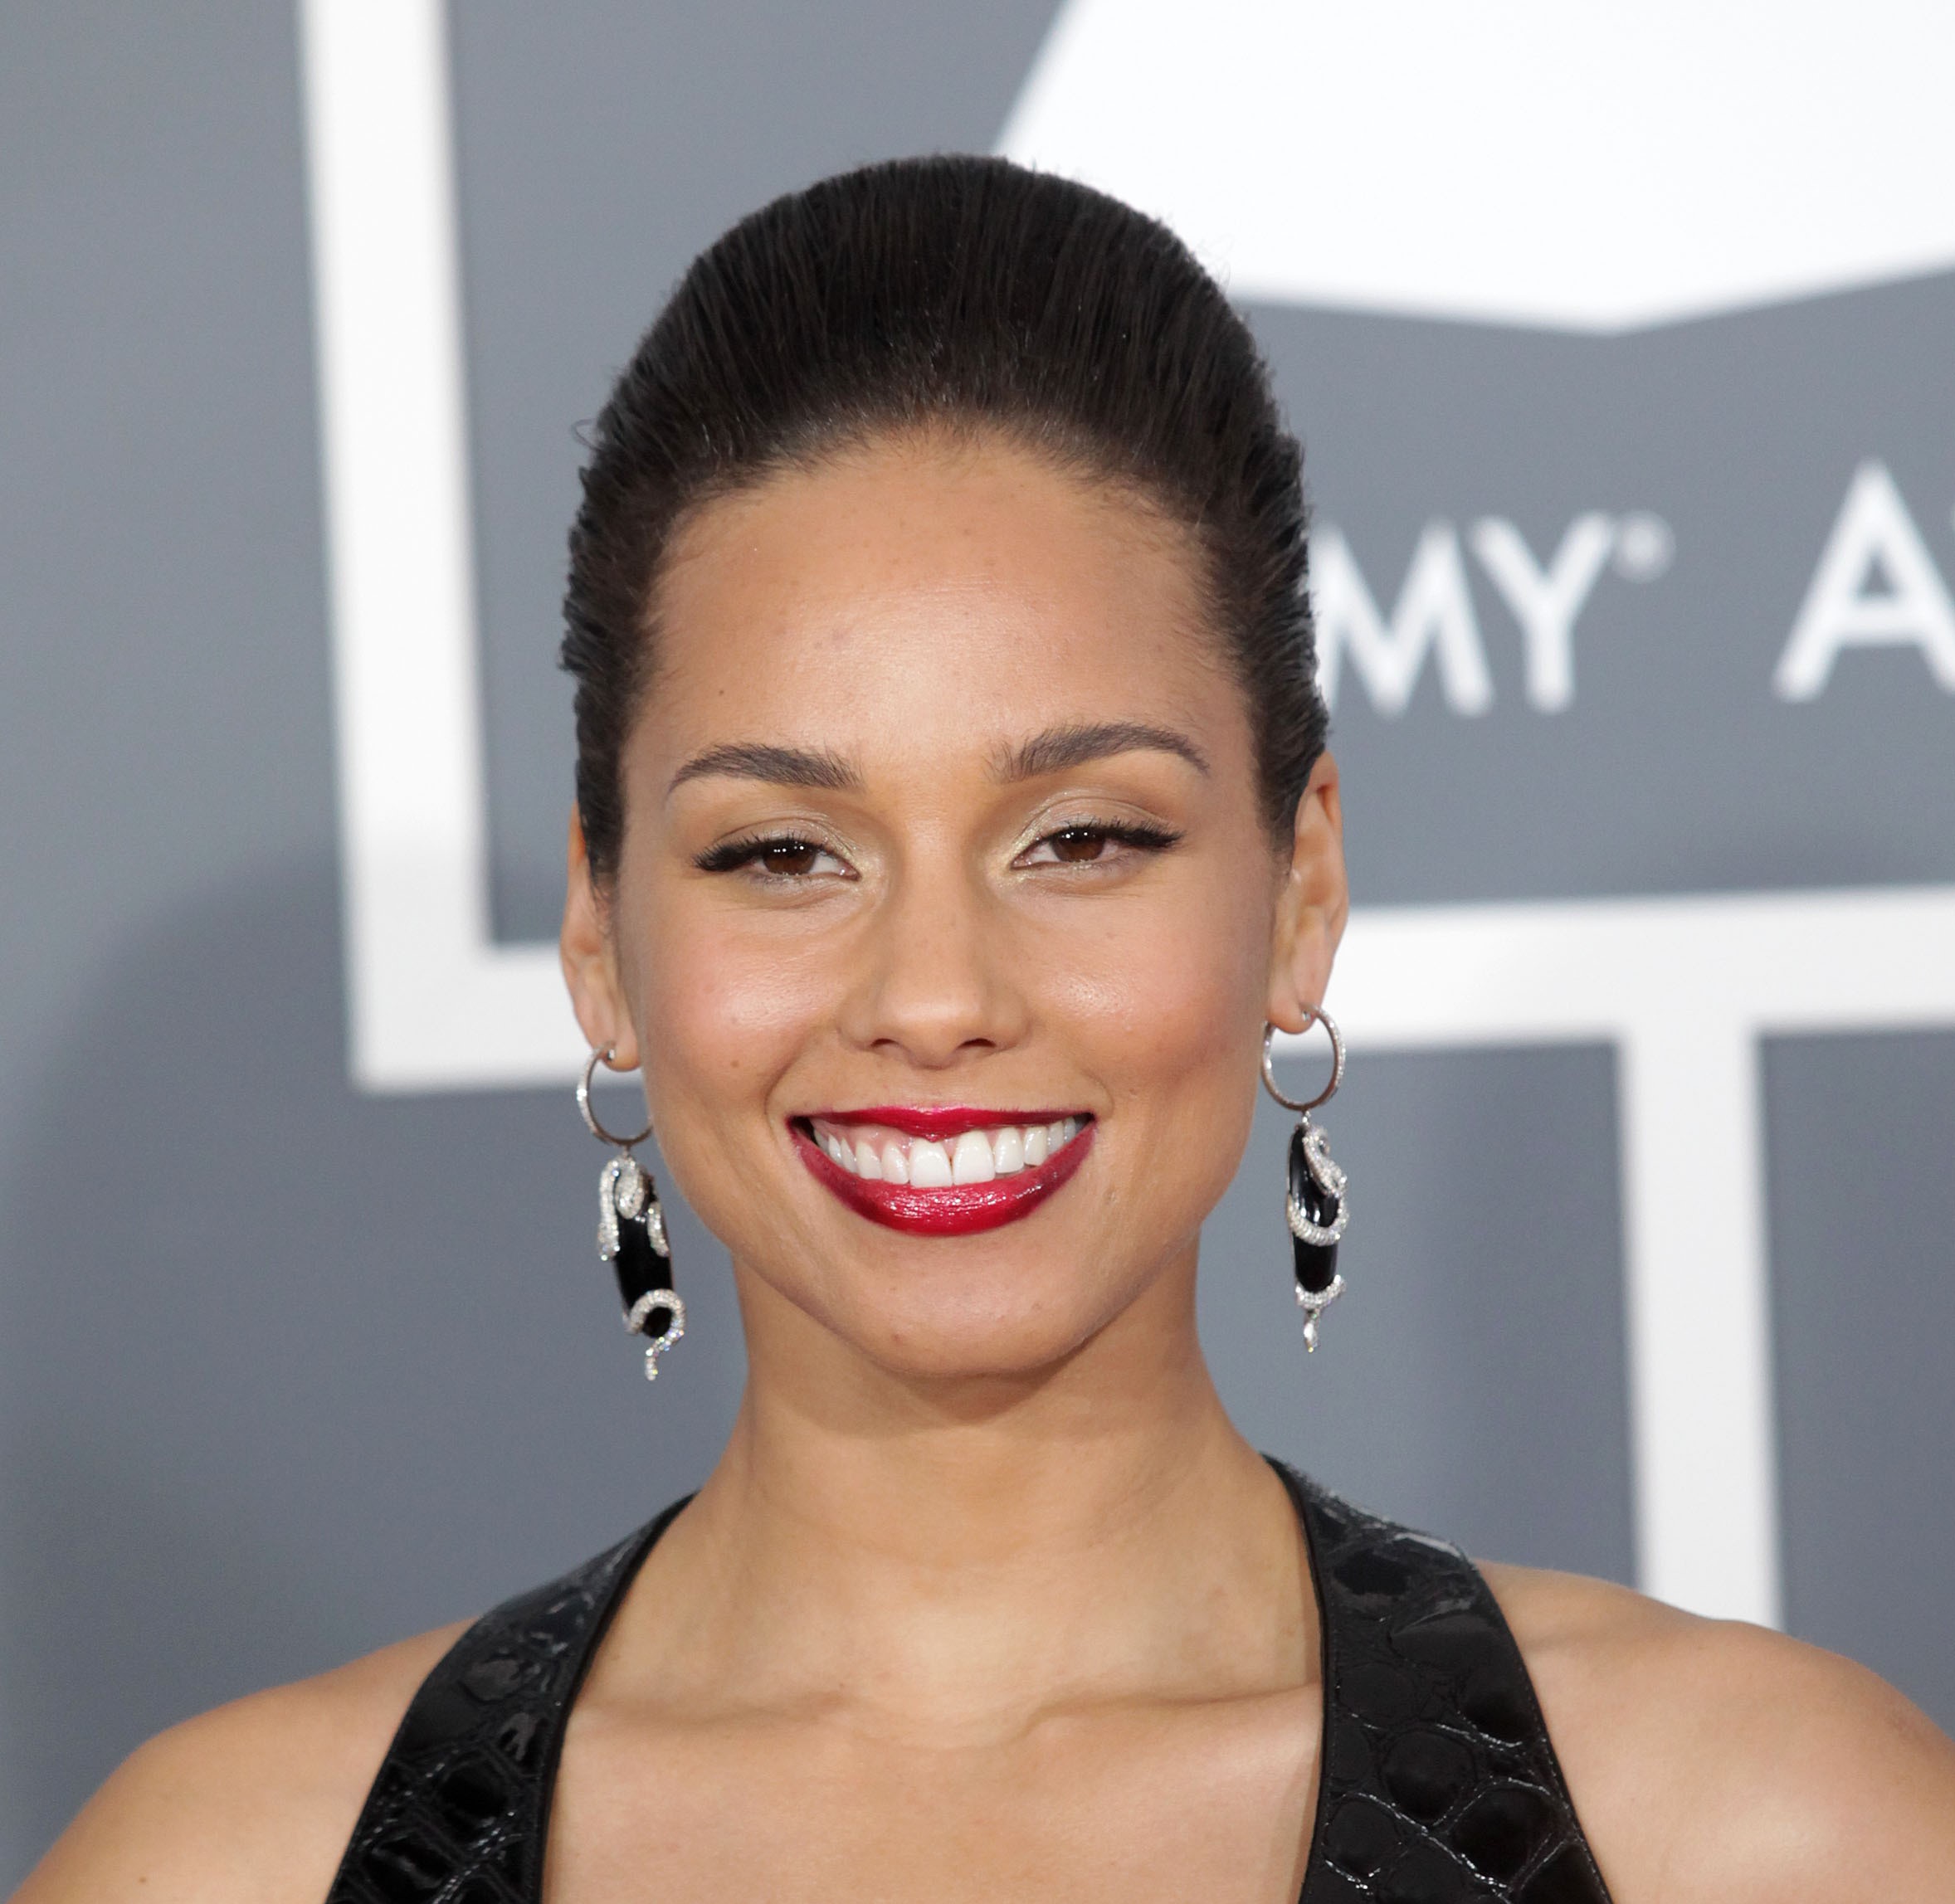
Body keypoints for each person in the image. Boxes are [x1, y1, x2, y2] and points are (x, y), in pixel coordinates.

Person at [19, 156, 1955, 1904]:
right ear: (601, 934)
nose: (933, 996)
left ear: (1296, 889)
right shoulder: (227, 1866)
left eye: (1082, 835)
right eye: (783, 849)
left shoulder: (1753, 1834)